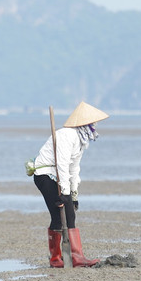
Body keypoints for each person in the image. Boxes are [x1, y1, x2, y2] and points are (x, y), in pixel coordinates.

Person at [32, 101, 108, 268]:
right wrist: (64, 193)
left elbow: (74, 168)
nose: (95, 126)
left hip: (60, 177)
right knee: (58, 217)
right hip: (45, 175)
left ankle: (76, 256)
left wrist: (73, 195)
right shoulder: (66, 135)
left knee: (70, 215)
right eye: (93, 122)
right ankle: (55, 259)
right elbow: (62, 164)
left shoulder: (81, 140)